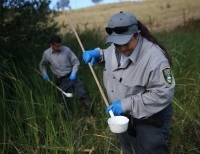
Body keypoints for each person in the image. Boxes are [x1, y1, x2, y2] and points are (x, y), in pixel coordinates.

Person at [82, 11, 175, 154]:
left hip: (149, 119)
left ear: (137, 34)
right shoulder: (116, 47)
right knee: (128, 149)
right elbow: (108, 55)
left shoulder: (155, 58)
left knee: (151, 151)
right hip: (123, 118)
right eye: (116, 44)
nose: (122, 48)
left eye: (125, 43)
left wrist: (125, 104)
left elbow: (163, 93)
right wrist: (97, 54)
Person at [39, 34, 94, 115]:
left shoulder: (67, 50)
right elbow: (42, 65)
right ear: (51, 45)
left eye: (60, 45)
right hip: (61, 80)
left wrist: (73, 73)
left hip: (72, 76)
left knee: (82, 94)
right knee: (64, 100)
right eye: (57, 46)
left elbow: (76, 62)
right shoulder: (46, 54)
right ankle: (66, 119)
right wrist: (44, 74)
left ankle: (92, 113)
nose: (59, 48)